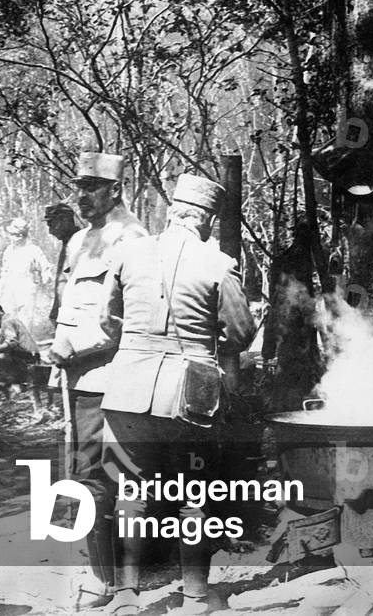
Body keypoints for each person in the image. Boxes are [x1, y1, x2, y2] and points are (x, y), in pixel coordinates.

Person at [99, 174, 257, 614]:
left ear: (173, 212)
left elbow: (107, 320)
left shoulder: (128, 253)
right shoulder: (218, 264)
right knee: (193, 495)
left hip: (127, 389)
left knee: (132, 490)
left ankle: (127, 596)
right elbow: (241, 334)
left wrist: (135, 347)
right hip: (191, 395)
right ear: (205, 219)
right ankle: (194, 597)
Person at [49, 152, 148, 609]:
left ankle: (124, 587)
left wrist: (71, 349)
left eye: (93, 187)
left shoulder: (132, 239)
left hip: (113, 378)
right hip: (78, 380)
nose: (82, 196)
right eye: (79, 186)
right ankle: (101, 579)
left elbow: (123, 321)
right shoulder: (80, 241)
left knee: (121, 480)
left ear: (116, 190)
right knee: (88, 479)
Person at [0, 300, 39, 401]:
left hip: (26, 363)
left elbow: (11, 343)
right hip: (29, 360)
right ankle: (10, 386)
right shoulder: (11, 320)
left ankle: (10, 387)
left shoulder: (7, 322)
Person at [0, 217, 49, 330]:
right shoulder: (8, 251)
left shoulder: (33, 250)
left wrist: (43, 284)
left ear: (20, 235)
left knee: (25, 321)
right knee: (9, 319)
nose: (11, 237)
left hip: (26, 288)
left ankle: (26, 345)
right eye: (10, 234)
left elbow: (45, 268)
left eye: (14, 234)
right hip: (10, 289)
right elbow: (4, 272)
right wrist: (0, 292)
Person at [43, 203, 79, 326]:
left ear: (64, 220)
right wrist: (55, 311)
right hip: (66, 315)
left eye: (52, 224)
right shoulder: (67, 243)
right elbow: (61, 282)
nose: (50, 231)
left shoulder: (80, 243)